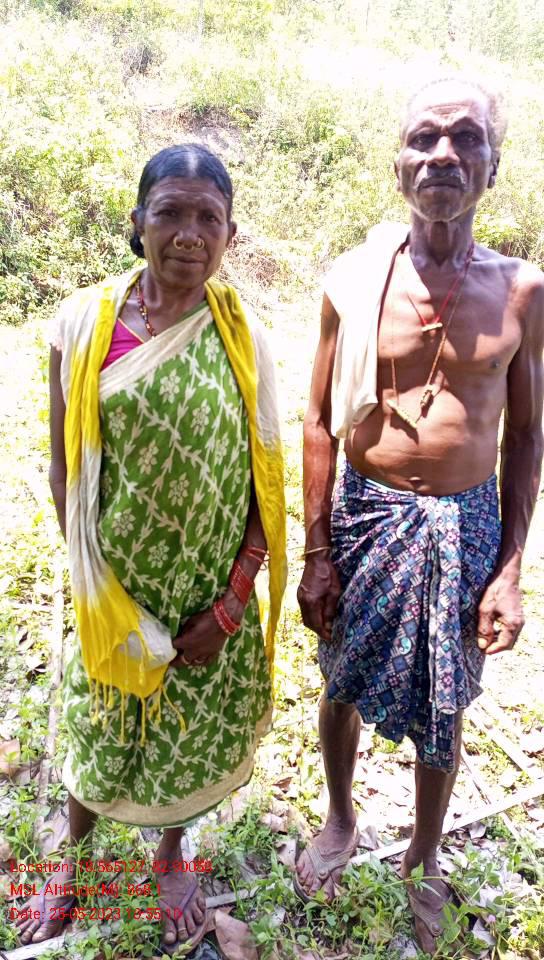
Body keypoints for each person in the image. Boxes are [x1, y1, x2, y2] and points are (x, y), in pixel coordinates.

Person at [15, 143, 286, 954]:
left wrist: (231, 605)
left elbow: (265, 482)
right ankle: (73, 861)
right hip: (112, 592)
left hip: (204, 601)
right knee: (98, 729)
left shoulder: (244, 339)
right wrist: (90, 582)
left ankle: (170, 858)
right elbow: (63, 465)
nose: (188, 234)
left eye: (209, 218)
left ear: (231, 233)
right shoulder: (82, 325)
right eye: (169, 212)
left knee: (185, 737)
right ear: (138, 223)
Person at [295, 76, 544, 953]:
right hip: (365, 517)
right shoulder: (354, 279)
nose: (443, 154)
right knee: (341, 678)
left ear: (493, 166)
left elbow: (526, 435)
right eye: (424, 138)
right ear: (398, 163)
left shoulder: (522, 292)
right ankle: (340, 816)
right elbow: (318, 420)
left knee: (446, 699)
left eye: (465, 138)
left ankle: (425, 853)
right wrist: (316, 551)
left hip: (466, 525)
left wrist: (509, 570)